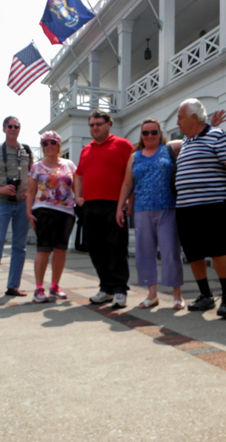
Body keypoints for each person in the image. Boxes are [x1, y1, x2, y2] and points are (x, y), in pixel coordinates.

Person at [173, 99, 226, 317]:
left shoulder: (219, 136)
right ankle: (205, 296)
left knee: (218, 251)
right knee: (193, 254)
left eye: (180, 117)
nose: (177, 122)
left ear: (194, 118)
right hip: (186, 209)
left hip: (213, 206)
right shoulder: (186, 141)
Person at [116, 118, 185, 310]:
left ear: (160, 133)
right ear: (141, 135)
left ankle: (177, 295)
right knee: (145, 253)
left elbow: (194, 138)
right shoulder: (134, 156)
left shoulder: (170, 149)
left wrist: (209, 125)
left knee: (171, 251)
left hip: (167, 208)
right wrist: (120, 206)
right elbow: (128, 183)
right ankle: (152, 294)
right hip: (142, 211)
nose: (150, 136)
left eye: (154, 132)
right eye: (145, 133)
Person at [74, 110, 134, 308]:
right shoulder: (86, 150)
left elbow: (133, 173)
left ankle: (119, 290)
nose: (95, 128)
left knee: (117, 248)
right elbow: (79, 175)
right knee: (96, 249)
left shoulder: (123, 145)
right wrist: (78, 196)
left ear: (109, 124)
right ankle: (106, 288)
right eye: (91, 124)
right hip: (90, 206)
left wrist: (129, 200)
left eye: (99, 124)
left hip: (114, 205)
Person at [0, 116, 32, 302]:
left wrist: (30, 193)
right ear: (4, 128)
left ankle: (13, 287)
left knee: (19, 247)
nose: (13, 129)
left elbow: (32, 175)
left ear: (19, 128)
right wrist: (1, 189)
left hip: (22, 202)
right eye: (10, 126)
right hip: (2, 202)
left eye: (16, 126)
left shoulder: (26, 151)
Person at [26, 131, 77, 303]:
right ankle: (39, 288)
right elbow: (31, 191)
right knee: (44, 249)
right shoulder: (37, 167)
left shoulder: (69, 165)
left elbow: (77, 186)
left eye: (53, 142)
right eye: (45, 143)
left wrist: (82, 199)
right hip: (43, 210)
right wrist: (29, 212)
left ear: (58, 145)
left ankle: (55, 286)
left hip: (66, 211)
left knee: (61, 250)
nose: (49, 146)